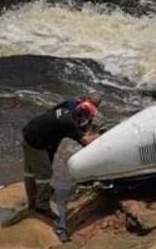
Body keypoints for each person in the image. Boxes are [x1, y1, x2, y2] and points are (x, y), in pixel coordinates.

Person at [21, 99, 100, 241]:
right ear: (83, 116)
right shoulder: (69, 124)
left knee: (30, 170)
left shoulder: (67, 109)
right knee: (44, 174)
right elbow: (86, 143)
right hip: (36, 143)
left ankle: (32, 199)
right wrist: (98, 137)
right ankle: (42, 206)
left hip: (29, 133)